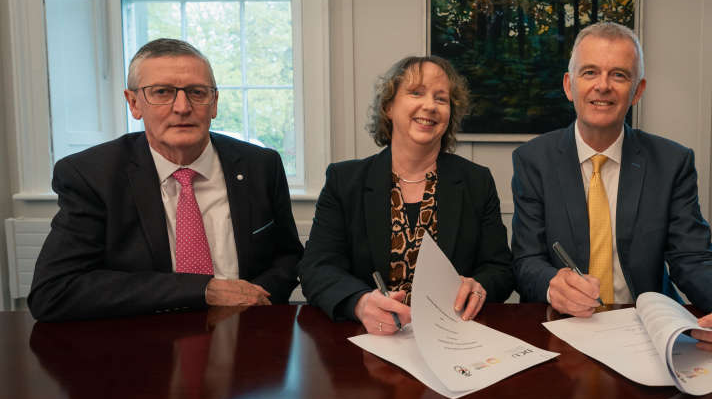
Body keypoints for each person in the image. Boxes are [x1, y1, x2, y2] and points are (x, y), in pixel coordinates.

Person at [511, 22, 712, 353]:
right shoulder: (534, 160)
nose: (602, 86)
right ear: (569, 85)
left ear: (638, 90)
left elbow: (693, 257)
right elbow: (526, 258)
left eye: (619, 75)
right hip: (562, 331)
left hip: (646, 333)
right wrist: (550, 284)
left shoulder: (671, 162)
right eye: (589, 72)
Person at [28, 38, 303, 322]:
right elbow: (54, 291)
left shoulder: (260, 165)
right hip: (144, 343)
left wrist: (256, 298)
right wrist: (202, 291)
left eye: (197, 92)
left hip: (247, 332)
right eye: (162, 92)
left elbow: (287, 256)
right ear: (134, 103)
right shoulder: (92, 175)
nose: (182, 107)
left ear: (215, 103)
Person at [299, 55, 514, 334]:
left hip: (452, 338)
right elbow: (316, 268)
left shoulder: (477, 181)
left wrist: (480, 286)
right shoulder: (344, 180)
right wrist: (359, 302)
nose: (430, 106)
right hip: (368, 338)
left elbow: (500, 269)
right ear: (389, 106)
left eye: (441, 98)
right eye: (416, 93)